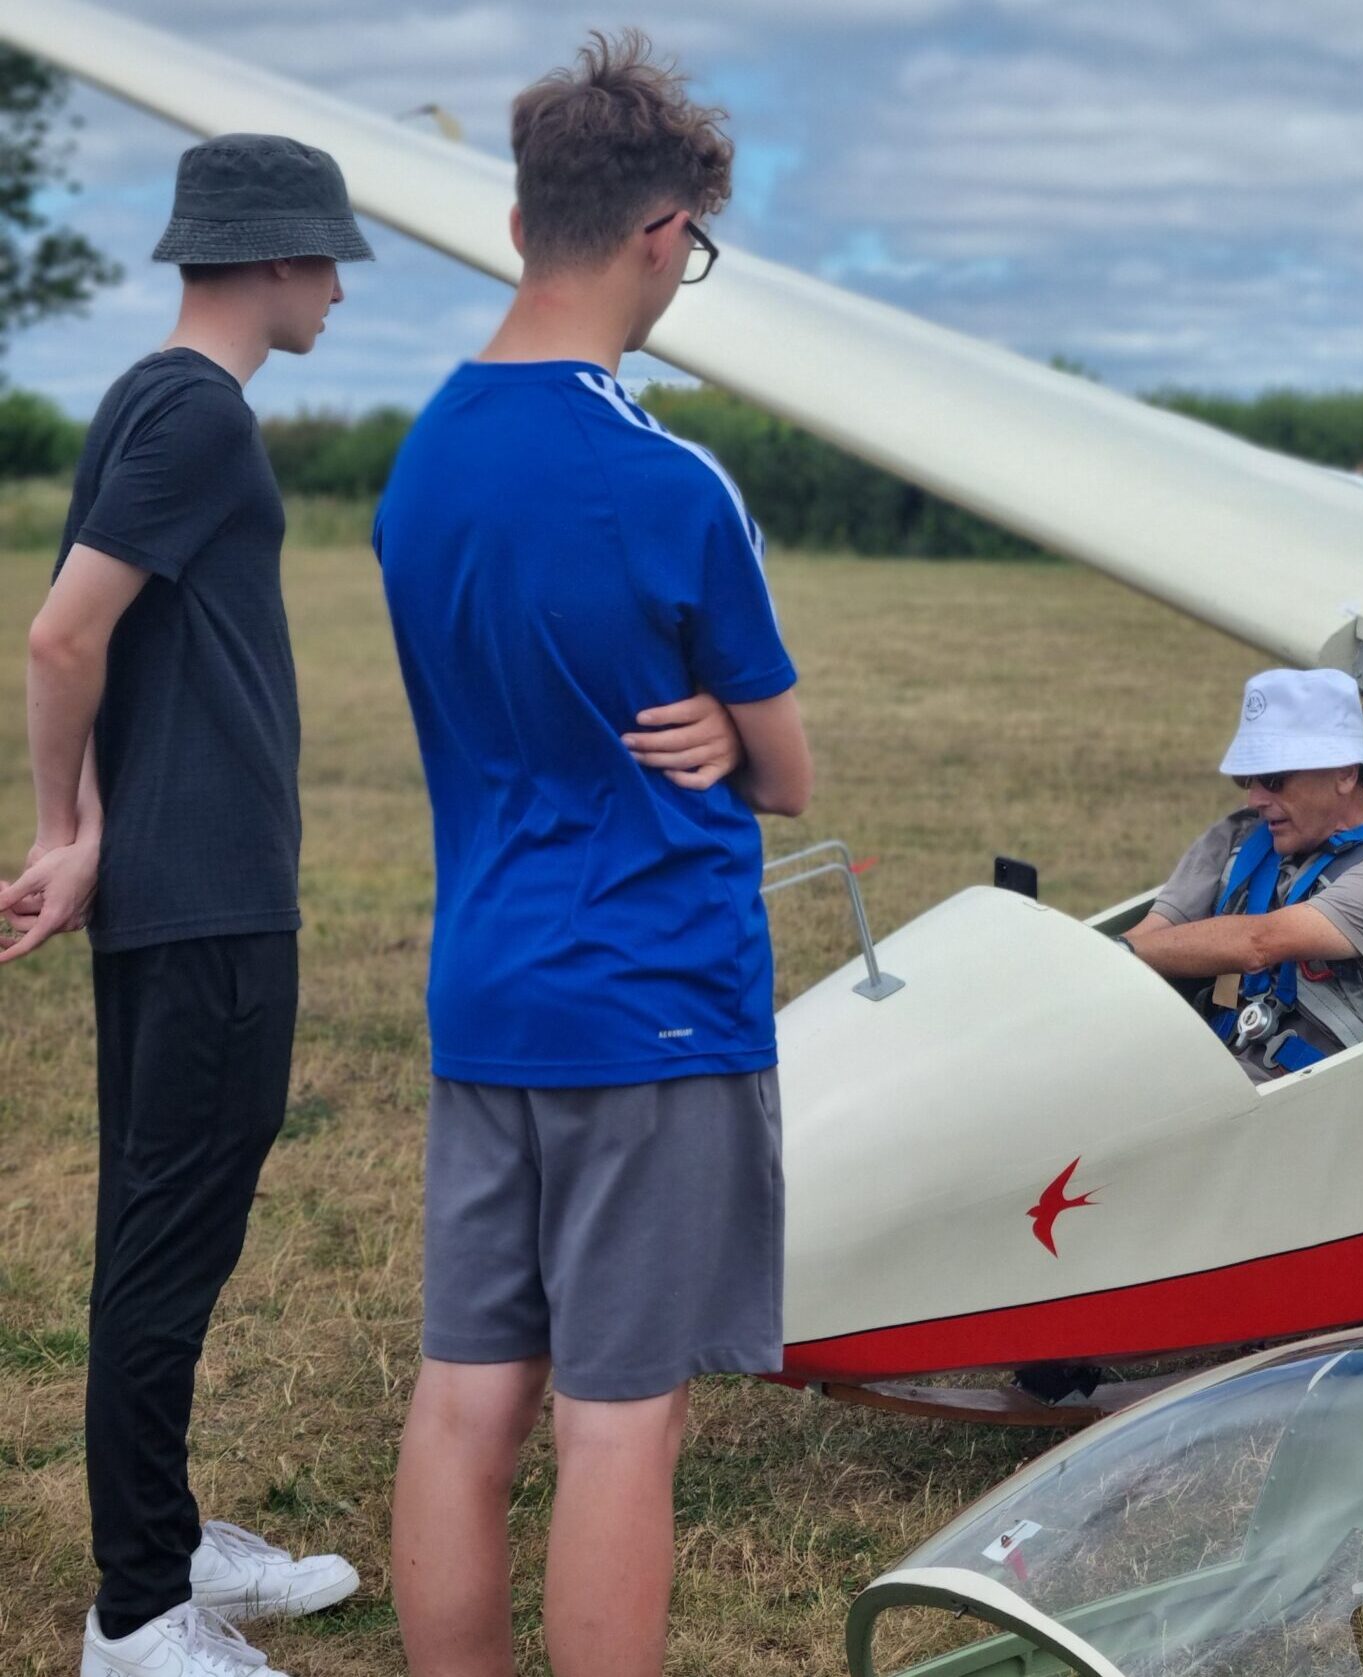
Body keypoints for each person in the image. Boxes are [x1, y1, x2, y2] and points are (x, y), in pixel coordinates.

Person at [374, 33, 811, 1677]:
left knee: (465, 1397)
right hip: (651, 1005)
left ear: (515, 224)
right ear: (660, 233)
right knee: (622, 1424)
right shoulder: (668, 478)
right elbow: (785, 771)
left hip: (486, 985)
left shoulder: (422, 465)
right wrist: (715, 715)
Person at [0, 135, 374, 1677]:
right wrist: (63, 827)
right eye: (328, 259)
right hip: (205, 898)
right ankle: (140, 1611)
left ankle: (163, 1533)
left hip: (190, 886)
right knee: (166, 1246)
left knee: (168, 1234)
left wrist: (92, 832)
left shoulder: (158, 402)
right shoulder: (196, 413)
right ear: (275, 256)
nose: (339, 287)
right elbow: (61, 638)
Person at [1125, 668, 1363, 1082]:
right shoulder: (1241, 839)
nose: (1254, 797)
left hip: (1338, 1108)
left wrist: (1124, 954)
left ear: (1344, 772)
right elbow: (1150, 936)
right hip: (1223, 1070)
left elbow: (1260, 943)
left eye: (1273, 778)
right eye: (1247, 778)